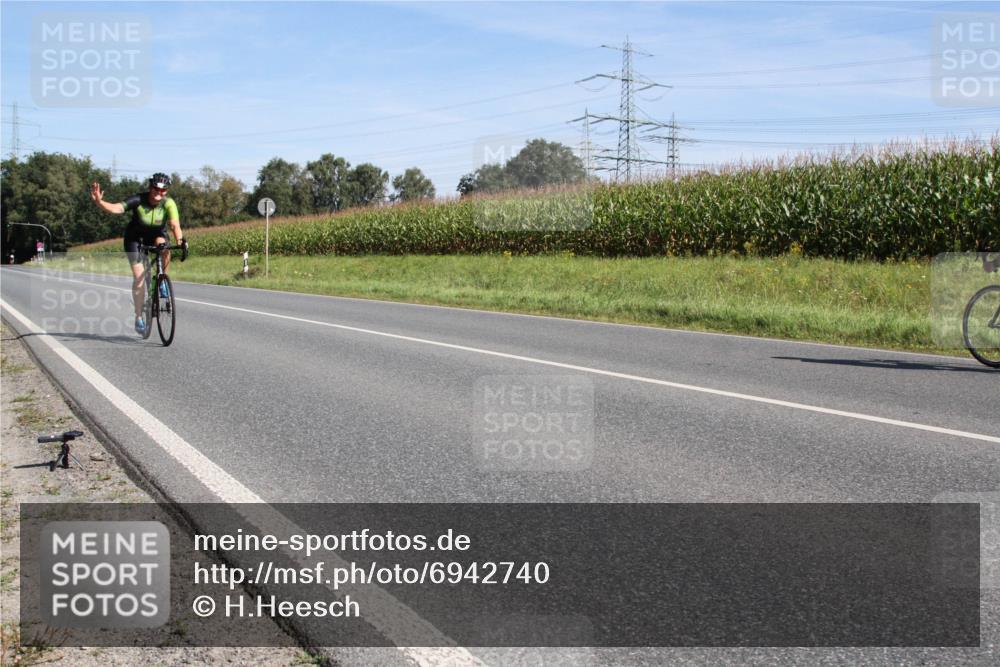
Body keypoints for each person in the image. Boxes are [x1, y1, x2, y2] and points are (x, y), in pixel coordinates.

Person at [91, 173, 188, 335]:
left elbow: (174, 224)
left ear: (167, 191)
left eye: (163, 190)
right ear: (150, 188)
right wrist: (100, 202)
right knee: (139, 279)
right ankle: (138, 317)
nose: (159, 192)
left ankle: (162, 278)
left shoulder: (168, 203)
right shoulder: (138, 200)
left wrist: (180, 240)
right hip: (135, 238)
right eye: (156, 189)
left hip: (157, 235)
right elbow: (117, 208)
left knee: (164, 246)